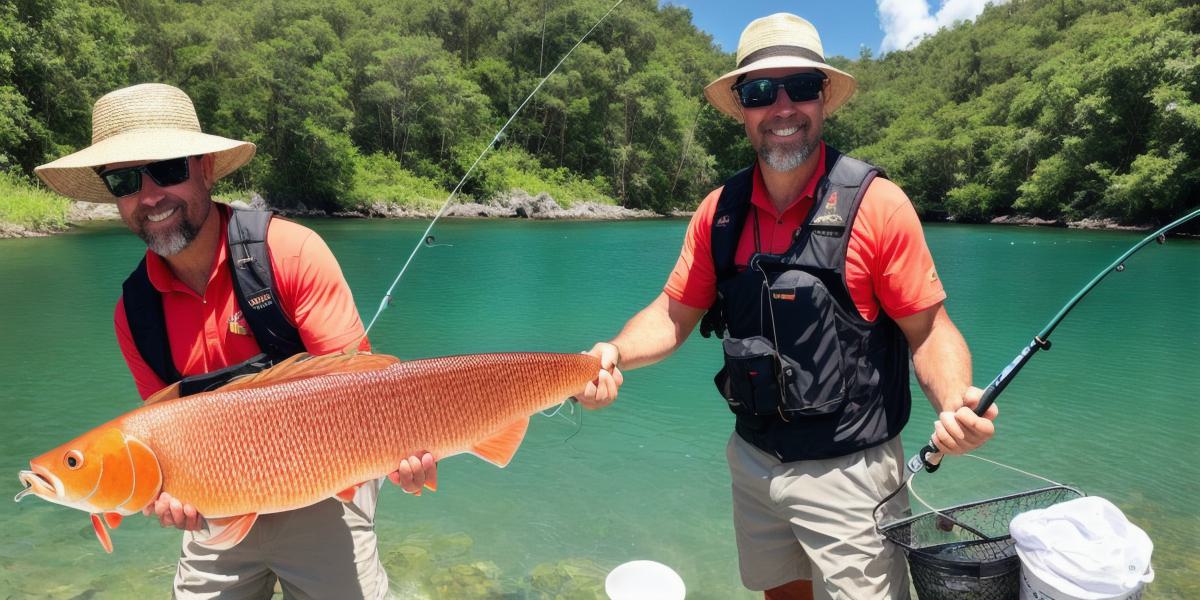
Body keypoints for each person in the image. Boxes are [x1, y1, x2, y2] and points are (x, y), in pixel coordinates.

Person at [577, 14, 998, 600]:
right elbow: (674, 313)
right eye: (758, 92)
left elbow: (929, 331)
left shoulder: (878, 206)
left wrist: (956, 402)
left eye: (800, 87)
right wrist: (610, 353)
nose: (781, 107)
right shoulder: (718, 213)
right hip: (752, 461)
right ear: (742, 109)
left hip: (853, 474)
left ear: (823, 98)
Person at [35, 83, 437, 599]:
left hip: (325, 494)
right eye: (126, 180)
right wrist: (168, 497)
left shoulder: (289, 254)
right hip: (219, 507)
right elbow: (166, 435)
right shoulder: (134, 314)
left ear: (204, 168)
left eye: (170, 169)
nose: (151, 195)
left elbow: (360, 394)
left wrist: (403, 451)